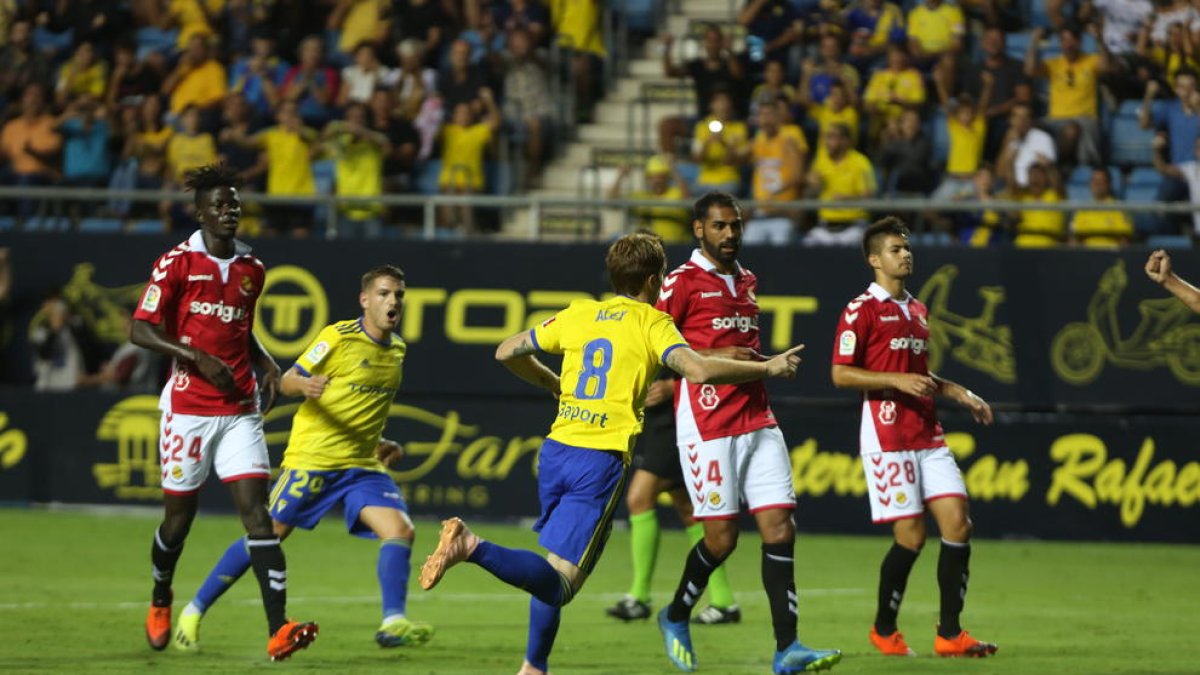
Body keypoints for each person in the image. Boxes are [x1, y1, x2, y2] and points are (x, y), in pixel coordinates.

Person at [418, 232, 808, 675]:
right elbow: (697, 370)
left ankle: (534, 666)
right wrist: (767, 367)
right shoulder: (652, 322)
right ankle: (472, 547)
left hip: (557, 449)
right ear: (653, 279)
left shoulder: (581, 313)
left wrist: (552, 383)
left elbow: (507, 350)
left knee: (550, 564)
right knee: (561, 583)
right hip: (598, 461)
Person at [173, 264, 433, 651]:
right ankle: (193, 612)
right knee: (268, 536)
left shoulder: (397, 350)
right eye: (383, 293)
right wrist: (306, 384)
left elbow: (363, 404)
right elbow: (288, 379)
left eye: (398, 294)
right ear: (365, 300)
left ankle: (393, 622)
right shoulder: (338, 337)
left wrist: (380, 440)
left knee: (400, 531)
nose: (392, 301)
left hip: (361, 464)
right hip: (314, 460)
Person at [130, 164, 317, 661]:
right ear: (200, 213)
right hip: (188, 408)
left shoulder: (253, 269)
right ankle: (161, 596)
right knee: (178, 522)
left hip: (239, 409)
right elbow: (141, 330)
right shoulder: (176, 264)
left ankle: (279, 629)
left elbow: (239, 328)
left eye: (235, 204)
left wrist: (266, 361)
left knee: (260, 518)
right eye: (220, 205)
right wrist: (196, 358)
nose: (230, 212)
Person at [655, 193, 843, 674]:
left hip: (757, 417)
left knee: (781, 528)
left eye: (735, 226)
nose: (730, 234)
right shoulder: (680, 283)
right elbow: (656, 346)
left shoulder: (747, 281)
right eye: (720, 226)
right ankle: (676, 614)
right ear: (699, 229)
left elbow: (742, 352)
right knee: (721, 540)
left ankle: (788, 648)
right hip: (707, 425)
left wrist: (766, 365)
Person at [830, 216, 998, 659]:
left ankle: (950, 634)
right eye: (894, 250)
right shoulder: (859, 310)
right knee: (910, 536)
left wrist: (959, 392)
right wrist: (897, 382)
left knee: (959, 525)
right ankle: (884, 630)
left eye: (907, 248)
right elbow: (841, 373)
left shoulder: (917, 309)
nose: (905, 255)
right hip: (887, 435)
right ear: (873, 259)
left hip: (928, 432)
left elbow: (920, 376)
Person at [604, 367, 740, 625]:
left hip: (679, 420)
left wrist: (673, 387)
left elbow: (711, 363)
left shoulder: (683, 327)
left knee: (639, 498)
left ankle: (639, 596)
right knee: (689, 511)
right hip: (657, 422)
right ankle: (724, 601)